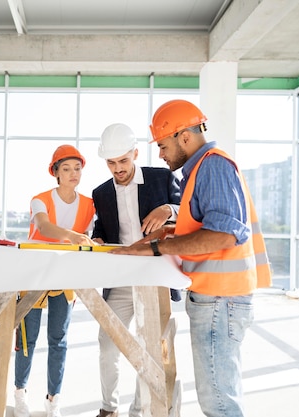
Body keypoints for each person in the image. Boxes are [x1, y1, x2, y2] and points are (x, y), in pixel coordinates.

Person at [110, 100, 272, 417]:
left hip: (220, 299)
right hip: (217, 298)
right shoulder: (200, 169)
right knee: (220, 396)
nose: (160, 154)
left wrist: (156, 249)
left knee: (219, 402)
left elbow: (224, 234)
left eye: (162, 145)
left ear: (184, 136)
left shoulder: (213, 165)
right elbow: (204, 225)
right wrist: (169, 232)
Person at [91, 123, 181, 417]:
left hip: (153, 278)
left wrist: (168, 209)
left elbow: (187, 210)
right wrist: (97, 238)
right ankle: (109, 407)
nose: (117, 168)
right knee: (108, 344)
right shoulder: (100, 192)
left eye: (123, 161)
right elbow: (102, 228)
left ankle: (139, 410)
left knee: (151, 348)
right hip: (119, 279)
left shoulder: (161, 177)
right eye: (111, 163)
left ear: (135, 154)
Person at [14, 144, 97, 417]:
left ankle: (53, 400)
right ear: (56, 172)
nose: (73, 173)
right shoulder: (39, 199)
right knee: (28, 338)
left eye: (78, 168)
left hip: (65, 275)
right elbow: (44, 226)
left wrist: (91, 239)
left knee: (58, 340)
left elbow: (92, 234)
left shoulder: (88, 204)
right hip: (34, 273)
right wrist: (72, 236)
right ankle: (20, 395)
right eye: (66, 168)